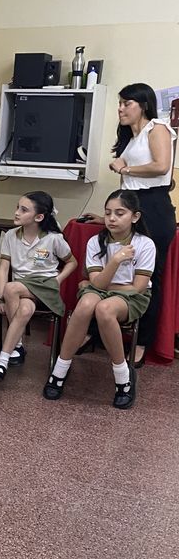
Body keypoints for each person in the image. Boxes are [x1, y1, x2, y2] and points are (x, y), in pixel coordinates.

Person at [43, 190, 154, 409]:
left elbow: (138, 287)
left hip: (133, 297)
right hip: (102, 289)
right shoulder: (95, 241)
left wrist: (93, 283)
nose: (112, 218)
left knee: (104, 309)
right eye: (108, 213)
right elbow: (99, 284)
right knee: (85, 304)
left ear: (135, 217)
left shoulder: (145, 244)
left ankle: (123, 377)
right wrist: (114, 261)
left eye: (119, 213)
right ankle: (60, 369)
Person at [105, 83, 175, 365]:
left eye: (127, 104)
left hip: (154, 207)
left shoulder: (157, 127)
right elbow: (128, 181)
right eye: (120, 104)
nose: (121, 109)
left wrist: (125, 168)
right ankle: (102, 331)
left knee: (149, 277)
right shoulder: (131, 139)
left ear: (143, 105)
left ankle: (142, 342)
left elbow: (161, 166)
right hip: (132, 204)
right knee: (119, 268)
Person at [0, 191, 77, 381]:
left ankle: (11, 351)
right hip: (23, 290)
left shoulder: (53, 238)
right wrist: (1, 298)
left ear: (39, 217)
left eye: (23, 210)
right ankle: (6, 358)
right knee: (25, 309)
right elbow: (3, 269)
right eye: (17, 207)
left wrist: (57, 280)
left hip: (45, 286)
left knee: (11, 288)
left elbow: (72, 262)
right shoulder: (11, 235)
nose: (17, 212)